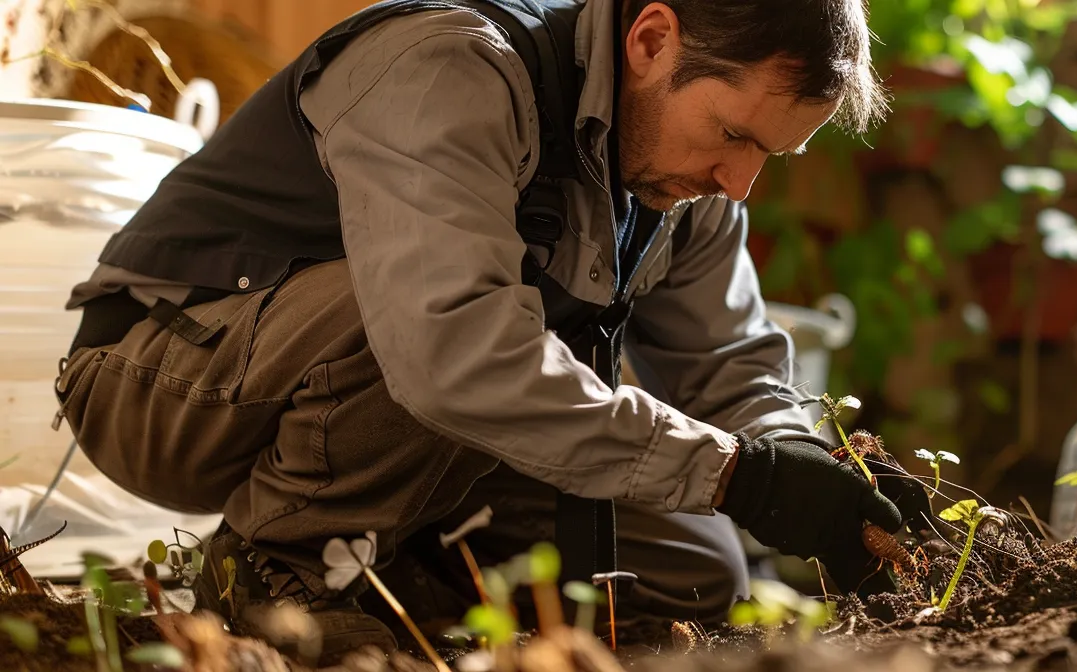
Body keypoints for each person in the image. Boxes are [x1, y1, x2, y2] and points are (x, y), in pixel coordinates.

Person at [52, 0, 926, 663]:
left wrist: (808, 466)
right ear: (652, 39)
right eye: (732, 135)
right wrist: (737, 475)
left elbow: (727, 358)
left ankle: (386, 563)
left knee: (685, 574)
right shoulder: (454, 69)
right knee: (435, 312)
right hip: (162, 383)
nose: (738, 183)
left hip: (404, 410)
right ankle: (279, 566)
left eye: (768, 155)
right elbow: (453, 352)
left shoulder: (687, 177)